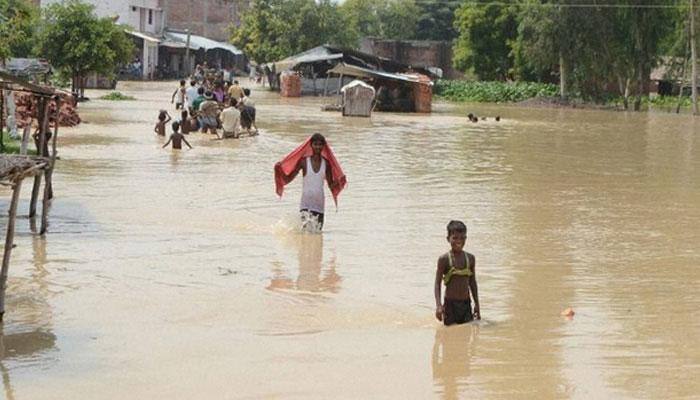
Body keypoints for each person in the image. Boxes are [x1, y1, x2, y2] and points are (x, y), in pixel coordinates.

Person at [274, 133, 347, 231]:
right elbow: (288, 178)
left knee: (317, 232)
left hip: (319, 204)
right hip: (306, 203)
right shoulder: (304, 162)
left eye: (320, 144)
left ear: (323, 146)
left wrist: (340, 182)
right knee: (305, 233)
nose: (318, 147)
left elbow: (331, 185)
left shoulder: (326, 164)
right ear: (311, 145)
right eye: (315, 144)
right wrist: (279, 170)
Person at [434, 220, 480, 326]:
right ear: (448, 239)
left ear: (466, 238)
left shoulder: (470, 258)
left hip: (466, 304)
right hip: (450, 305)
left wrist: (477, 304)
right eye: (455, 238)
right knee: (450, 336)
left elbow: (472, 283)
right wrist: (439, 306)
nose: (459, 241)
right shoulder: (444, 259)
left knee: (466, 334)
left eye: (462, 238)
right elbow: (437, 284)